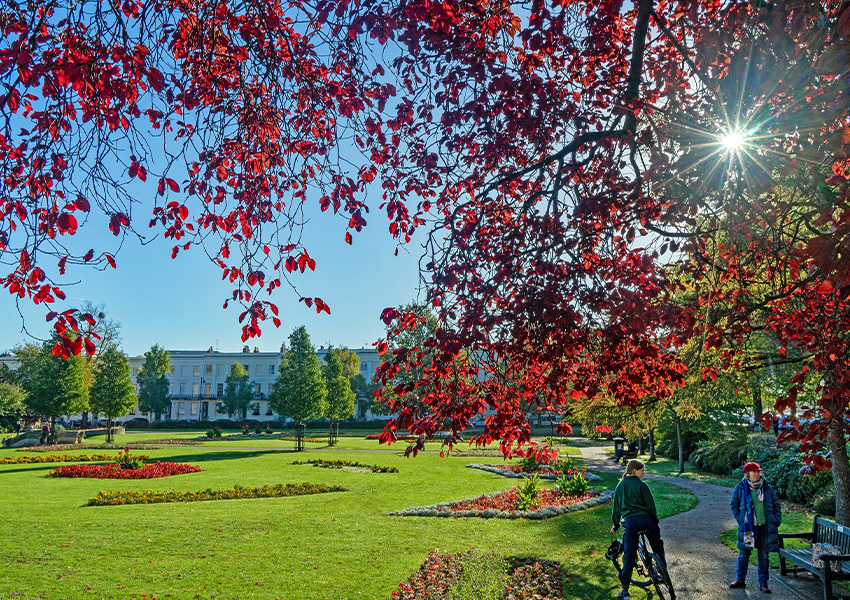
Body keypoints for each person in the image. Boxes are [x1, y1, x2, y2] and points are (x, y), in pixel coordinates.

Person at [609, 459, 666, 600]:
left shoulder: (620, 486)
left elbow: (616, 510)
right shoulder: (642, 486)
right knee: (657, 546)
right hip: (647, 521)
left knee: (629, 554)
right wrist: (654, 521)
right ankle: (662, 573)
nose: (644, 473)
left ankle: (625, 591)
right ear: (634, 471)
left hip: (631, 523)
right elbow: (651, 506)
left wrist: (615, 526)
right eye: (642, 470)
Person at [730, 461, 781, 594]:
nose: (757, 474)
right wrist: (741, 520)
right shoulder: (741, 488)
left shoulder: (767, 488)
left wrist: (776, 520)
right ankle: (740, 580)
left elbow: (776, 505)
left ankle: (763, 583)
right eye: (755, 472)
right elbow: (734, 505)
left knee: (763, 555)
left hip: (764, 528)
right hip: (748, 527)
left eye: (759, 472)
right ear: (748, 474)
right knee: (744, 553)